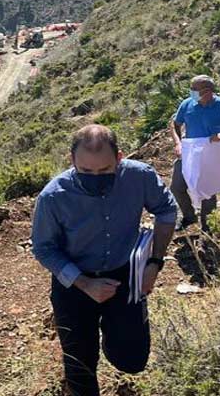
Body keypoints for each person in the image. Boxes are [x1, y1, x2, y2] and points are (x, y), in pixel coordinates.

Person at [31, 124, 178, 396]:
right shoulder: (53, 197)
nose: (95, 177)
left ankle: (112, 335)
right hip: (74, 283)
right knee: (80, 367)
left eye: (104, 171)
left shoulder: (139, 177)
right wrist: (85, 284)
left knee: (132, 361)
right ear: (72, 160)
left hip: (125, 275)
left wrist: (155, 263)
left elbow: (167, 209)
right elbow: (43, 248)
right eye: (86, 171)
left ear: (120, 158)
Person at [168, 75, 220, 233]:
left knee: (207, 192)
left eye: (194, 89)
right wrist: (178, 143)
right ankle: (189, 216)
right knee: (177, 187)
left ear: (207, 91)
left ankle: (208, 228)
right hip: (189, 153)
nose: (191, 92)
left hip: (212, 156)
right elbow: (175, 124)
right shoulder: (187, 104)